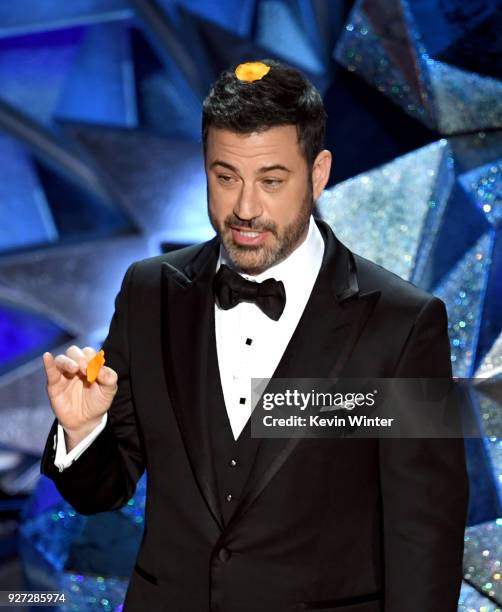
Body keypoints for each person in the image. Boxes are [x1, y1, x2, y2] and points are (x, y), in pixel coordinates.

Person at [40, 59, 468, 612]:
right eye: (226, 177)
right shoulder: (150, 292)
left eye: (271, 181)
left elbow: (425, 541)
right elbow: (105, 491)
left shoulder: (405, 323)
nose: (245, 208)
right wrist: (83, 431)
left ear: (318, 174)